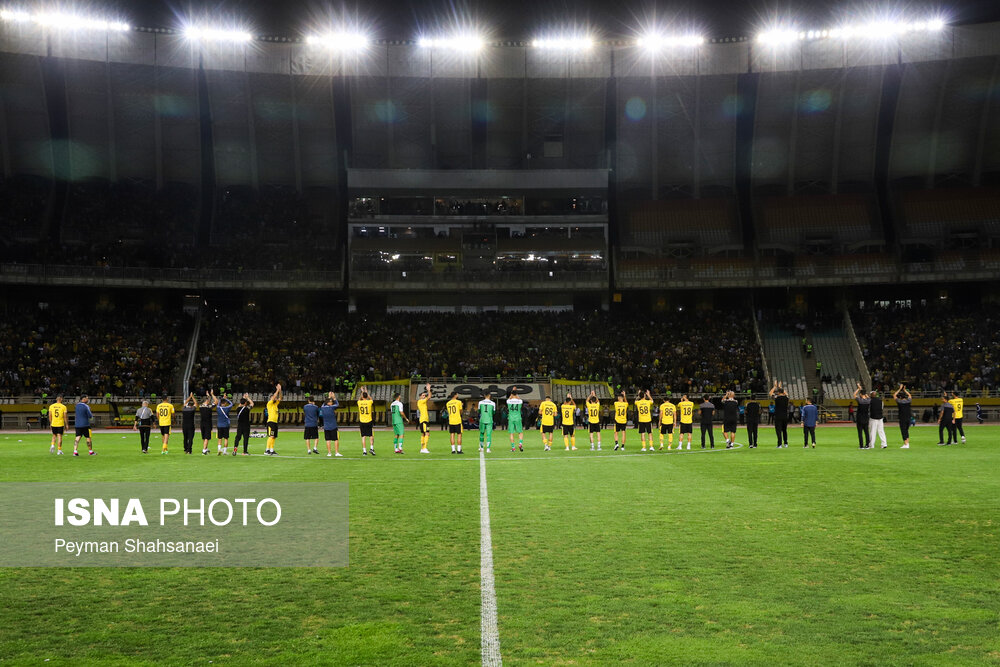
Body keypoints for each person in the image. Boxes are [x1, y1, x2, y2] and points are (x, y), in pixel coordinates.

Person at [321, 392, 342, 457]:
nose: (331, 402)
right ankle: (336, 452)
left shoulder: (323, 408)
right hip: (333, 426)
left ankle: (329, 453)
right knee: (336, 439)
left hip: (326, 426)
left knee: (328, 440)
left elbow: (323, 404)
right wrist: (334, 398)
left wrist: (329, 397)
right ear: (328, 403)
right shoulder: (331, 407)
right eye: (330, 402)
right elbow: (337, 404)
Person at [769, 381, 789, 448]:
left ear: (778, 392)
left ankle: (779, 444)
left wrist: (775, 386)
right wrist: (781, 387)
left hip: (778, 416)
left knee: (778, 430)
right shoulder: (786, 398)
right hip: (785, 416)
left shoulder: (777, 397)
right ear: (783, 392)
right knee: (784, 430)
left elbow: (770, 393)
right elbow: (787, 394)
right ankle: (786, 443)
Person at [357, 385, 375, 456]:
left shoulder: (359, 402)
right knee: (371, 435)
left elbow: (359, 399)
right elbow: (370, 398)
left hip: (362, 421)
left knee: (363, 436)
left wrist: (362, 391)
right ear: (367, 396)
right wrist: (366, 392)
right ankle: (371, 448)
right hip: (369, 420)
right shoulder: (369, 402)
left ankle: (364, 451)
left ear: (362, 397)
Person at [893, 384, 912, 449]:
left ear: (900, 397)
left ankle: (906, 444)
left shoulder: (899, 402)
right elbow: (910, 395)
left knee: (903, 431)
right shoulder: (908, 401)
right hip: (908, 417)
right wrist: (904, 390)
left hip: (902, 418)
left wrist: (899, 389)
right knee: (906, 430)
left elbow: (894, 395)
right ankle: (907, 443)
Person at [265, 383, 282, 456]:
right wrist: (277, 390)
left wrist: (280, 390)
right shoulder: (269, 403)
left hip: (275, 422)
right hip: (270, 422)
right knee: (271, 436)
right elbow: (274, 396)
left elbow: (280, 398)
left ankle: (271, 450)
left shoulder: (275, 404)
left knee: (274, 436)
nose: (275, 398)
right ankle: (267, 450)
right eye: (273, 397)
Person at [853, 383, 871, 450]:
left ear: (860, 394)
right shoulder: (868, 401)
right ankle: (867, 445)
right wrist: (865, 394)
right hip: (866, 418)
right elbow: (868, 397)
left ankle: (861, 446)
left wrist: (858, 388)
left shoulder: (860, 401)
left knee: (860, 433)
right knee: (866, 432)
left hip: (860, 418)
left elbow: (854, 395)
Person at [416, 383, 431, 453]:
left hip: (424, 419)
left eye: (424, 395)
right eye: (423, 395)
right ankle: (424, 448)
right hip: (424, 419)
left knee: (423, 434)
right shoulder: (420, 401)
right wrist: (429, 390)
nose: (424, 396)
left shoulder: (422, 402)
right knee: (427, 433)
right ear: (420, 397)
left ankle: (422, 448)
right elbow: (429, 396)